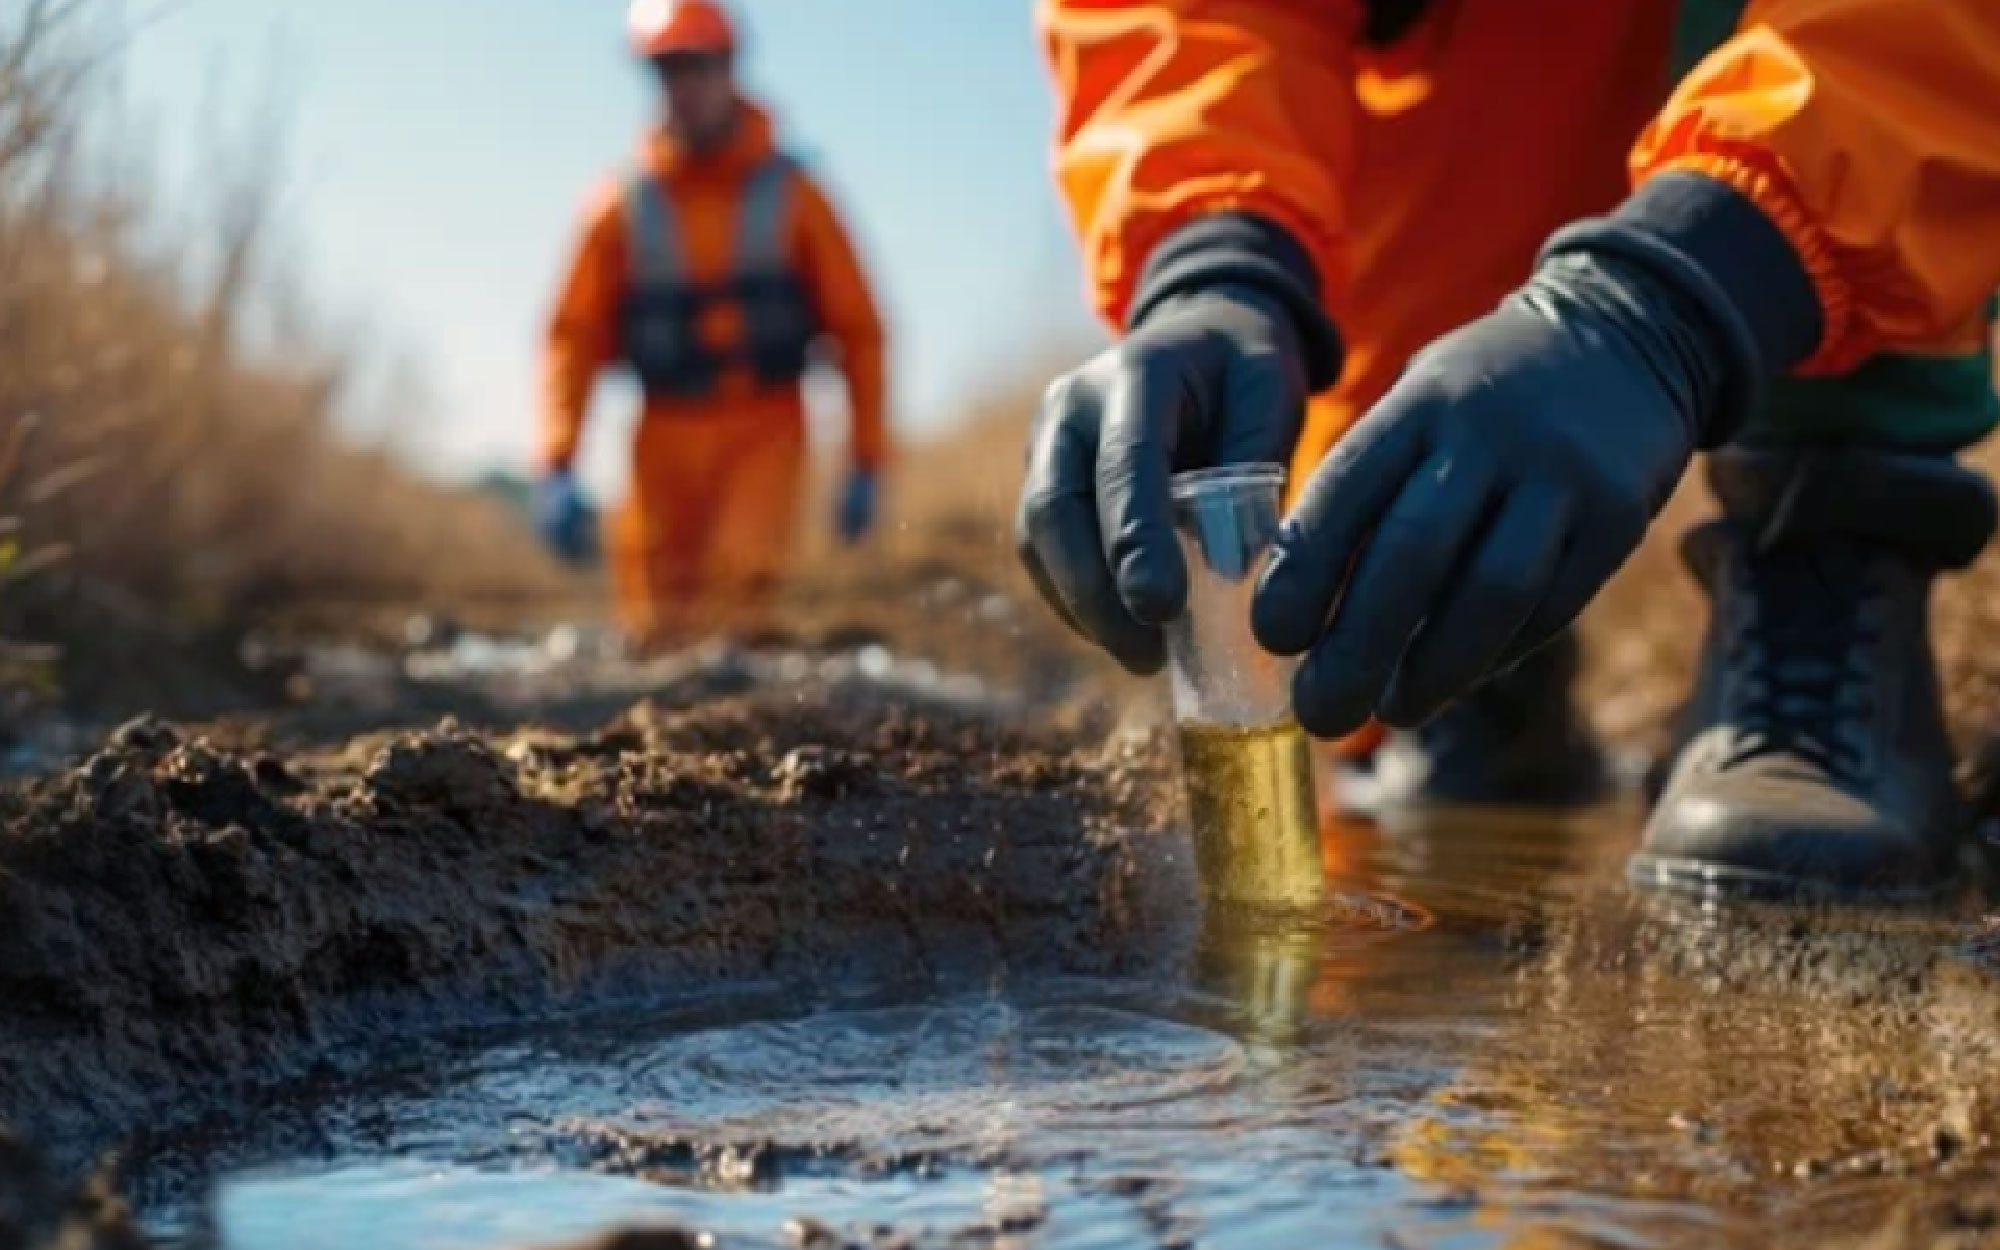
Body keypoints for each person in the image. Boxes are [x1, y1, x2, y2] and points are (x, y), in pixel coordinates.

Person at [1018, 0, 2000, 899]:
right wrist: (1208, 250)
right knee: (1406, 433)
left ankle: (1819, 561)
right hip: (1501, 73)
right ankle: (1474, 652)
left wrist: (1675, 296)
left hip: (1843, 55)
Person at [537, 0, 888, 645]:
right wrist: (557, 462)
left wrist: (866, 459)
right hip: (661, 434)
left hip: (766, 427)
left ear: (730, 69)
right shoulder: (618, 206)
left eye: (697, 67)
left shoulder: (796, 196)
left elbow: (860, 330)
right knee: (653, 624)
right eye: (668, 71)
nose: (684, 87)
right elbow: (572, 337)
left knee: (739, 602)